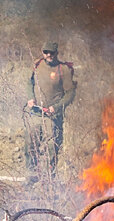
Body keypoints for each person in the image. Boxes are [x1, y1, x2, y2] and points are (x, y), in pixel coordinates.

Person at [24, 41, 76, 180]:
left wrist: (56, 107)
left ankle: (48, 179)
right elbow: (30, 82)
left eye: (52, 52)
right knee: (31, 143)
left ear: (56, 53)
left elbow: (70, 93)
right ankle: (31, 176)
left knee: (51, 147)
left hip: (52, 116)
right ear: (42, 52)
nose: (49, 55)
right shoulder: (37, 65)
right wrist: (30, 97)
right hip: (35, 113)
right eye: (46, 52)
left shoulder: (62, 69)